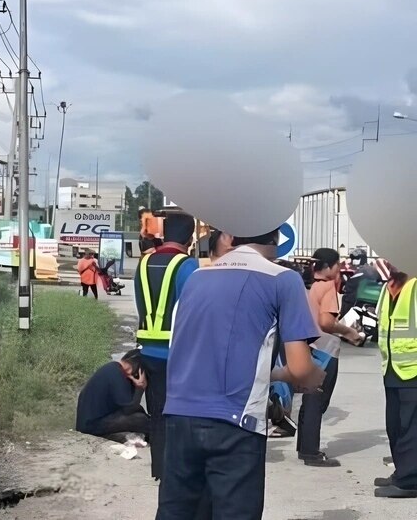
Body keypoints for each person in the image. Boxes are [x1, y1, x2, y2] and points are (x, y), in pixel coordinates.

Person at [156, 226, 324, 520]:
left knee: (178, 511)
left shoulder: (196, 277)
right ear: (277, 239)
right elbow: (299, 367)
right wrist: (310, 378)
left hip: (180, 416)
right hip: (237, 422)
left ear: (229, 238)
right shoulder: (284, 279)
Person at [133, 210, 202, 481]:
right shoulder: (187, 267)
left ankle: (159, 470)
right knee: (181, 413)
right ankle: (177, 471)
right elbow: (193, 311)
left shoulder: (143, 263)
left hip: (147, 352)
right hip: (178, 353)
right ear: (191, 237)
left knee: (157, 414)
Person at [296, 248, 368, 467]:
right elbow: (327, 322)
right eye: (337, 265)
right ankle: (311, 452)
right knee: (318, 401)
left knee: (310, 400)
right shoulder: (327, 287)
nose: (339, 270)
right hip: (325, 350)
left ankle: (304, 447)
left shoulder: (309, 286)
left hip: (308, 347)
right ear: (328, 267)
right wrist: (350, 332)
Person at [375, 264, 417, 499]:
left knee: (411, 427)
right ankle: (403, 471)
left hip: (413, 370)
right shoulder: (387, 287)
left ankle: (410, 480)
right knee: (395, 426)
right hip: (391, 368)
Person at [76, 350, 151, 441]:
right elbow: (129, 409)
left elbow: (130, 405)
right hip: (91, 426)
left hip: (92, 420)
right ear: (139, 371)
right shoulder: (118, 376)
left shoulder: (113, 369)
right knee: (140, 419)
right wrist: (140, 388)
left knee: (141, 416)